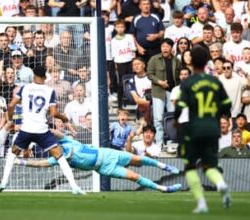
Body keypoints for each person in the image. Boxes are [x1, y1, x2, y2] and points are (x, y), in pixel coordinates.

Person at [0, 66, 85, 195]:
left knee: (12, 153)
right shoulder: (49, 91)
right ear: (44, 77)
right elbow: (54, 113)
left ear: (33, 76)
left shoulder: (24, 88)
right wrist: (64, 118)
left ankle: (3, 182)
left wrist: (10, 119)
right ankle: (74, 187)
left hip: (26, 129)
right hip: (42, 130)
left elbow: (11, 105)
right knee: (60, 156)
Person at [15, 128, 182, 193]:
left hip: (108, 154)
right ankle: (163, 188)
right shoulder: (58, 158)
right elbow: (41, 164)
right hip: (103, 168)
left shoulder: (65, 141)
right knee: (134, 177)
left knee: (139, 159)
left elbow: (56, 132)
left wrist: (41, 130)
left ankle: (164, 165)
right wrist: (21, 162)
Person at [175, 46, 232, 213]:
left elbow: (180, 106)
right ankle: (221, 183)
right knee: (210, 166)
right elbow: (227, 105)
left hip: (194, 129)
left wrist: (177, 121)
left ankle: (201, 203)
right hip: (213, 129)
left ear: (191, 61)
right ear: (208, 61)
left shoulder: (188, 82)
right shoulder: (215, 81)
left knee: (190, 167)